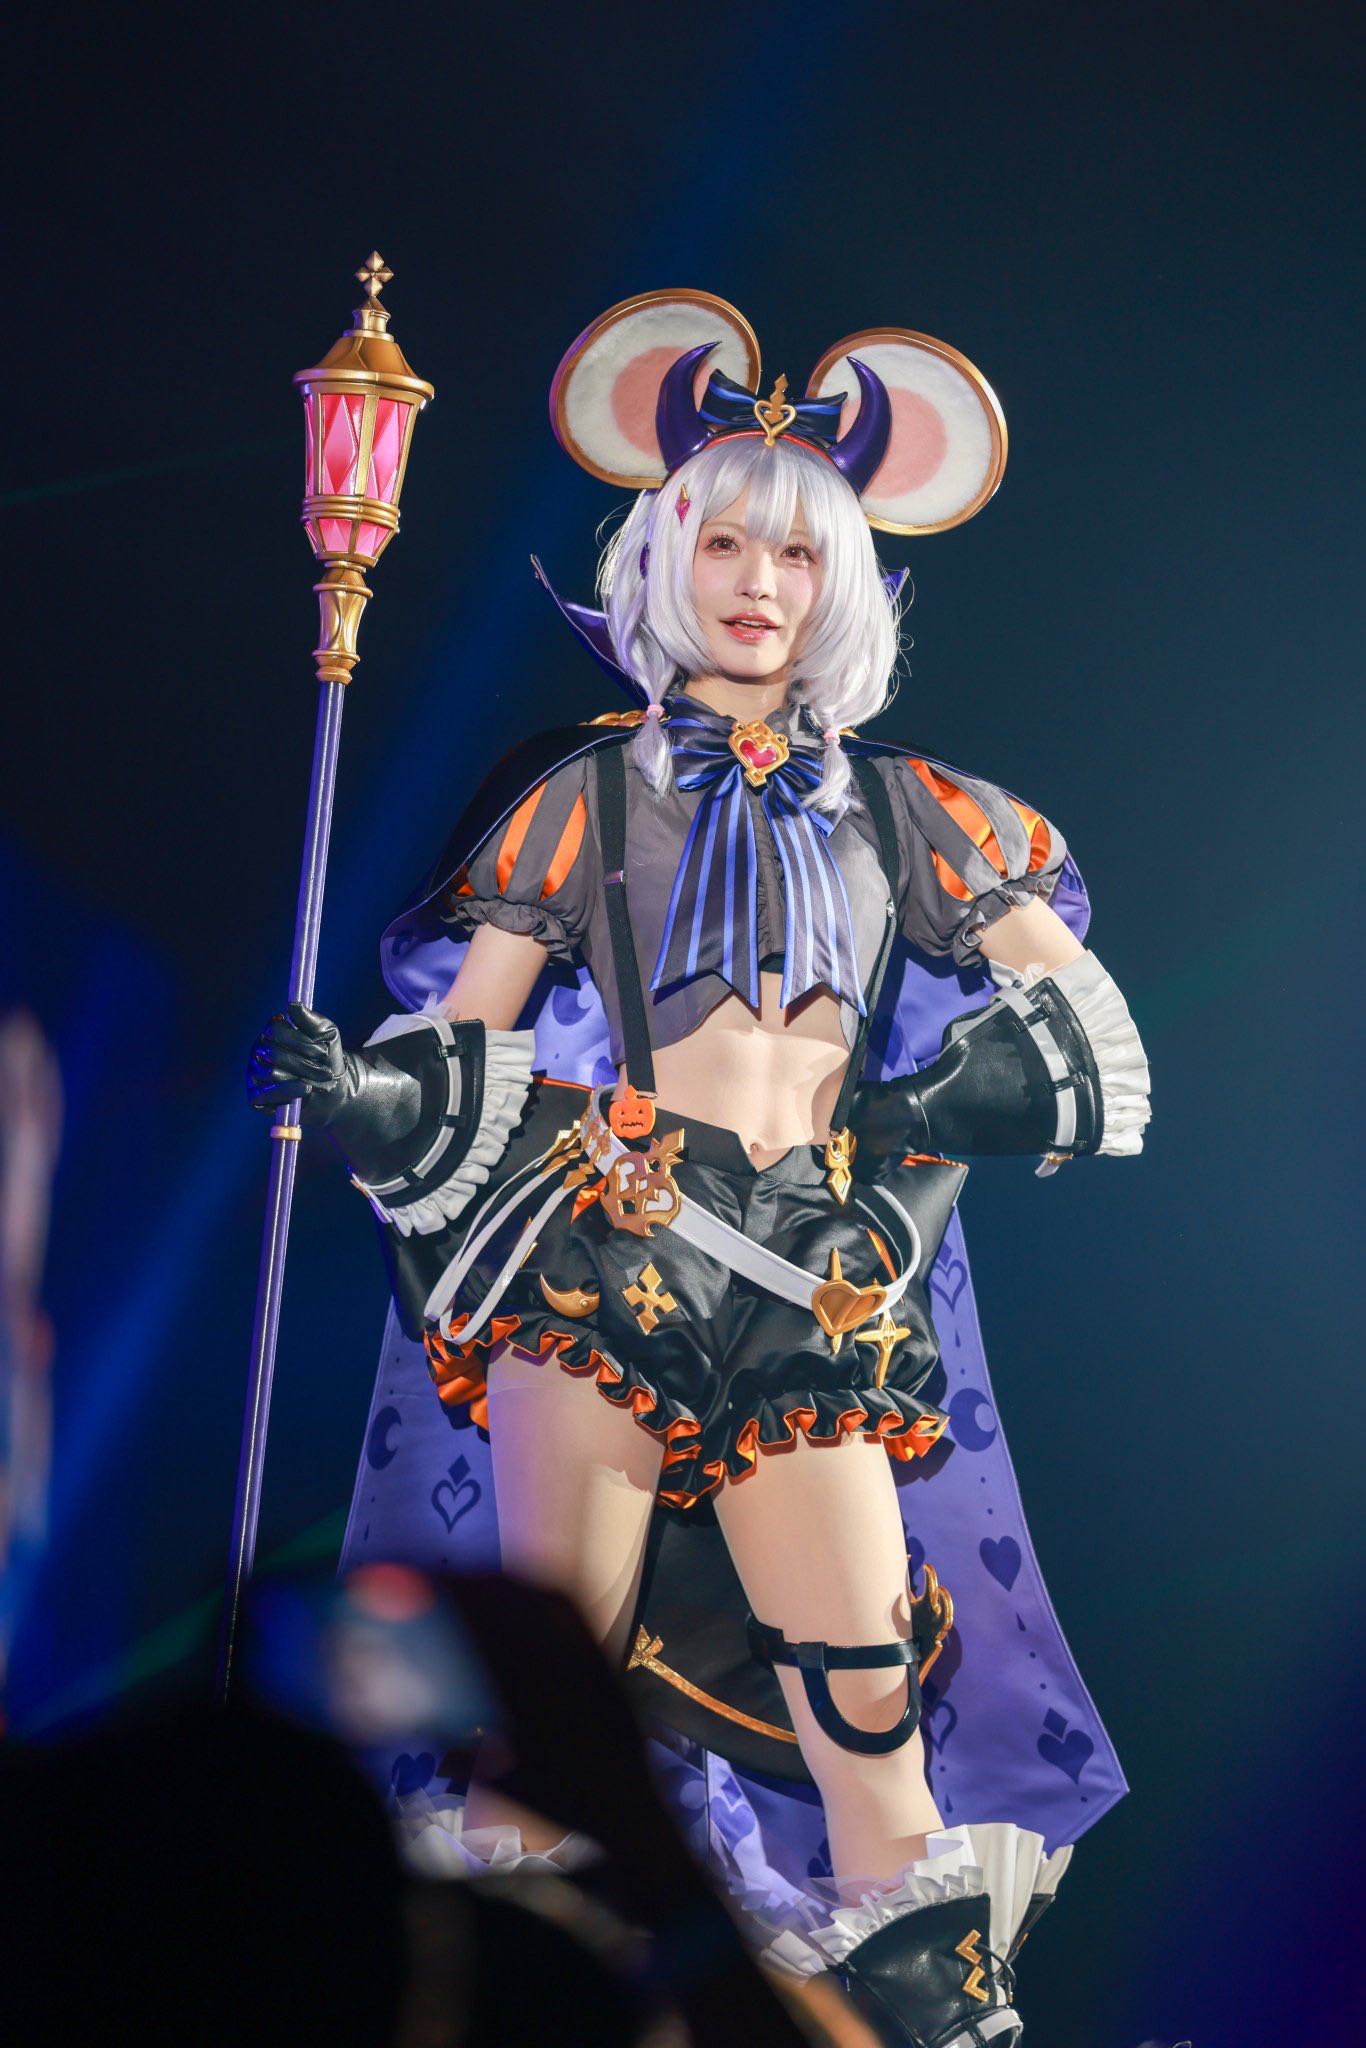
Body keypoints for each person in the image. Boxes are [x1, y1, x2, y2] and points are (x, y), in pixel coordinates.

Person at [249, 290, 1151, 2047]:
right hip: (606, 1238)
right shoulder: (583, 793)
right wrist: (361, 1093)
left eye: (793, 553)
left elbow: (1091, 1032)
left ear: (841, 583)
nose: (755, 582)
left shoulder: (919, 809)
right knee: (550, 1699)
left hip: (806, 1268)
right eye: (723, 542)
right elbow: (470, 1034)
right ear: (665, 558)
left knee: (867, 1711)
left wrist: (933, 1115)